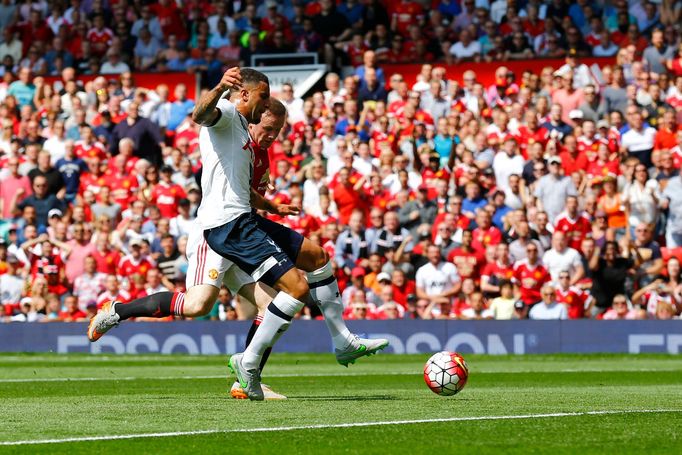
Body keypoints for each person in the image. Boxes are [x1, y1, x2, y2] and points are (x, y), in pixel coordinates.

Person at [89, 77, 386, 400]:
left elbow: (243, 191)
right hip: (218, 230)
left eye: (277, 130)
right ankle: (118, 310)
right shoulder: (228, 115)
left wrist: (272, 205)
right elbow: (201, 115)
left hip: (244, 224)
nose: (271, 134)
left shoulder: (248, 139)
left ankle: (255, 372)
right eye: (264, 101)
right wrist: (218, 89)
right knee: (198, 304)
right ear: (245, 95)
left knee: (289, 286)